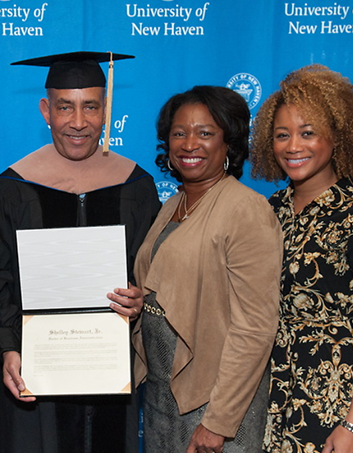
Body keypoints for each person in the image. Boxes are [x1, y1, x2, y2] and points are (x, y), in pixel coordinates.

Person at [0, 51, 161, 453]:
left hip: (111, 368)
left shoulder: (136, 185)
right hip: (36, 372)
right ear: (46, 110)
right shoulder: (13, 187)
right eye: (65, 107)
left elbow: (152, 272)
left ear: (107, 111)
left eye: (91, 107)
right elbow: (1, 278)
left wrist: (141, 297)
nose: (79, 122)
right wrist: (10, 347)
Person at [250, 64, 353, 453]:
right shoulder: (272, 210)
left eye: (308, 133)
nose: (293, 146)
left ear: (337, 136)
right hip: (267, 390)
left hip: (333, 398)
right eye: (282, 135)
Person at [131, 86, 282, 453]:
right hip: (163, 396)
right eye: (179, 133)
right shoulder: (175, 204)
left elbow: (255, 327)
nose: (189, 144)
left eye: (205, 133)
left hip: (214, 404)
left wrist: (218, 423)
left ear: (228, 142)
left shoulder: (246, 210)